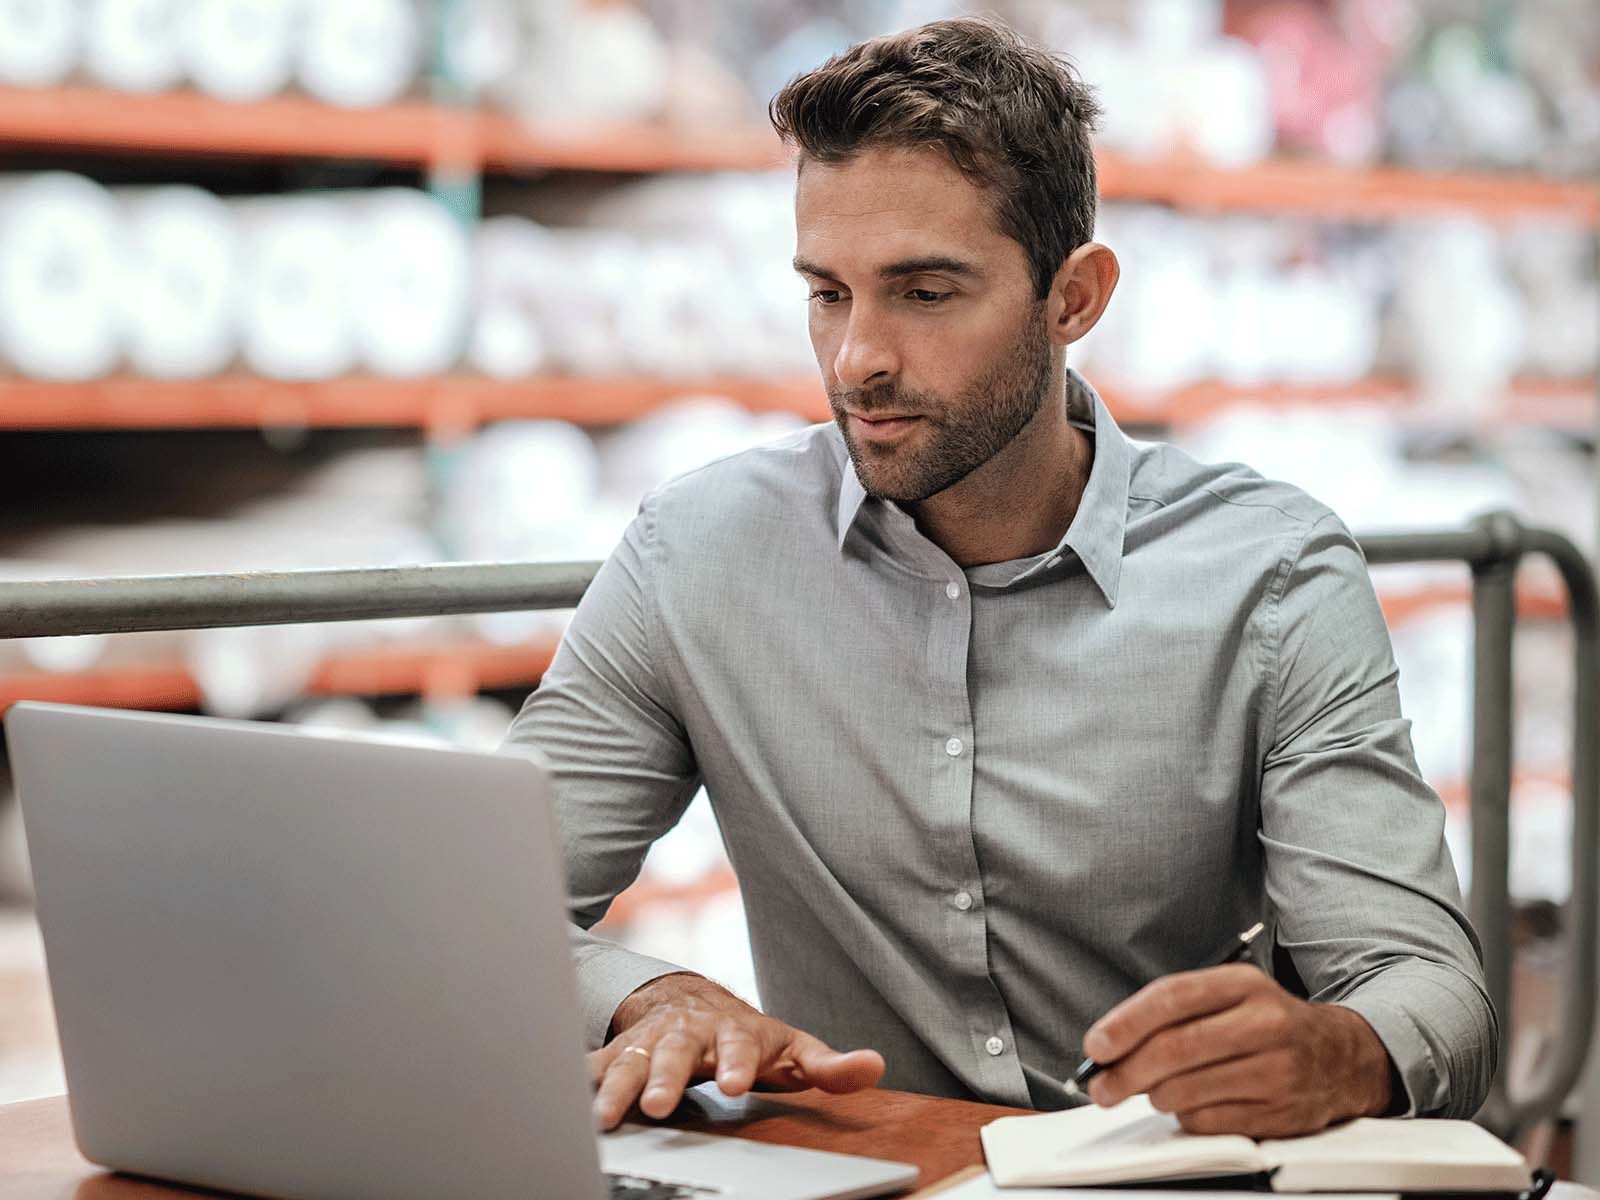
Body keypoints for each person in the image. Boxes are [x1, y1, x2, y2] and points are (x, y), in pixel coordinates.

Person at [503, 16, 1494, 1139]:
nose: (854, 358)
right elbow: (482, 905)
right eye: (827, 291)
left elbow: (1433, 992)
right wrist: (646, 992)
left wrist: (1340, 1051)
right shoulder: (697, 555)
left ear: (1072, 298)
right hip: (861, 1176)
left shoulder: (1269, 579)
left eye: (923, 293)